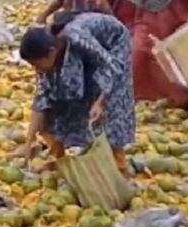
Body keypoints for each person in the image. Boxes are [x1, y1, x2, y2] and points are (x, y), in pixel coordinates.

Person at [17, 12, 135, 173]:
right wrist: (28, 142)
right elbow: (42, 99)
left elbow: (110, 66)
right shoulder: (50, 53)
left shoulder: (77, 38)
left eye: (38, 64)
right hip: (87, 54)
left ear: (51, 52)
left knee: (109, 108)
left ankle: (118, 165)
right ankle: (60, 161)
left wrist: (100, 102)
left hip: (113, 47)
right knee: (58, 100)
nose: (37, 70)